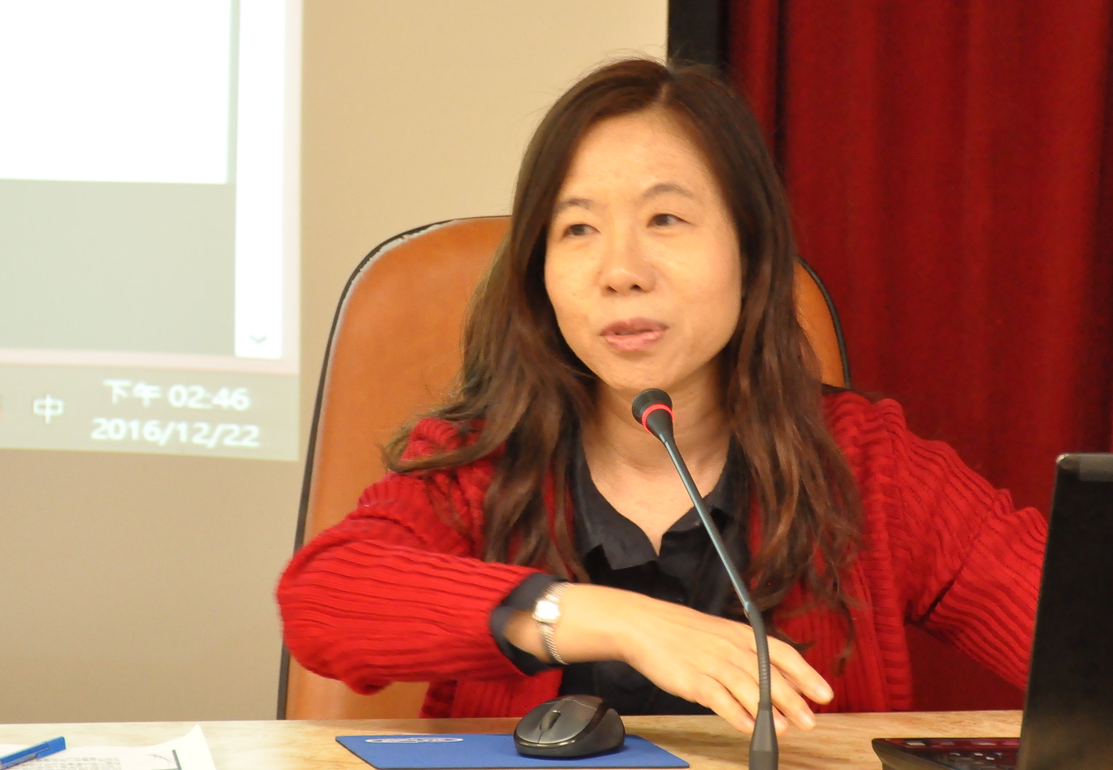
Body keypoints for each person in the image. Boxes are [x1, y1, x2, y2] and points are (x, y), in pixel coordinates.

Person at [278, 58, 1046, 730]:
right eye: (577, 230)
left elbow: (1091, 638)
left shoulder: (866, 465)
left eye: (666, 218)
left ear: (751, 251)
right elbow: (323, 598)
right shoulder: (483, 460)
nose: (621, 271)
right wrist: (609, 620)